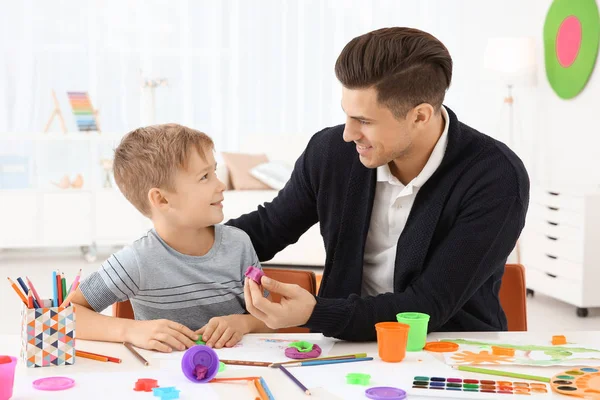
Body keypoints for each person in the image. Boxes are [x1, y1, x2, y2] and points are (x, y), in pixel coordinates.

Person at [232, 27, 529, 341]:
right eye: (347, 115)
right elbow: (265, 230)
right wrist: (179, 241)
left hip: (449, 348)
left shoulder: (495, 176)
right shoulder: (330, 151)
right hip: (344, 348)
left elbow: (427, 305)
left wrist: (314, 313)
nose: (348, 133)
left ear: (420, 116)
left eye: (364, 121)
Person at [71, 124, 272, 352]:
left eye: (214, 172)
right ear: (162, 200)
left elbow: (271, 318)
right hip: (164, 382)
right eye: (205, 176)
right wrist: (131, 330)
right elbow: (66, 315)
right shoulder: (136, 260)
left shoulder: (239, 245)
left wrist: (244, 323)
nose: (221, 185)